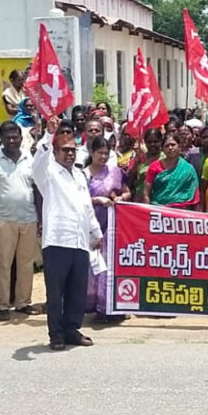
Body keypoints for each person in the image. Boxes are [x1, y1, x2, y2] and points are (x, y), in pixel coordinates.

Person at [33, 119, 104, 351]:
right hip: (57, 240)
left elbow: (86, 206)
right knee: (56, 291)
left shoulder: (80, 175)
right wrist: (48, 134)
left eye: (73, 150)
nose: (70, 154)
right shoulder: (48, 173)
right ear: (55, 150)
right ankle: (56, 334)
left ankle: (72, 329)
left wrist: (96, 231)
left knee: (77, 289)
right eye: (65, 150)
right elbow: (38, 164)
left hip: (80, 240)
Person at [0, 122, 40, 322]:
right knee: (4, 264)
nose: (12, 141)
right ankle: (3, 305)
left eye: (15, 137)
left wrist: (39, 217)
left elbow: (36, 189)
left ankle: (23, 302)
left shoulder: (28, 158)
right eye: (8, 138)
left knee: (26, 264)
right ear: (2, 139)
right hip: (4, 220)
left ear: (20, 138)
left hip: (29, 219)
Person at [84, 136, 130, 321]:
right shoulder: (83, 175)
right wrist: (96, 200)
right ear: (91, 153)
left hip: (111, 227)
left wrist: (122, 198)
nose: (103, 157)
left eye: (106, 153)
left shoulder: (115, 172)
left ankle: (109, 308)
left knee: (110, 266)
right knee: (92, 267)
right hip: (90, 226)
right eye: (99, 153)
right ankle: (93, 306)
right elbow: (76, 201)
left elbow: (127, 191)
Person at [144, 134, 200, 209]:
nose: (170, 148)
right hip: (158, 210)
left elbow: (195, 195)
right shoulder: (154, 167)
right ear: (162, 149)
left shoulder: (188, 169)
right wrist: (147, 211)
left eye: (173, 145)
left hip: (181, 213)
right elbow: (146, 193)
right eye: (167, 146)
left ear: (179, 147)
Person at [129, 128, 163, 203]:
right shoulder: (140, 158)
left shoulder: (166, 158)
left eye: (155, 141)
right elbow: (130, 181)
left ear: (161, 141)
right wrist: (135, 166)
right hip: (140, 200)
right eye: (149, 142)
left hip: (159, 200)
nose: (152, 144)